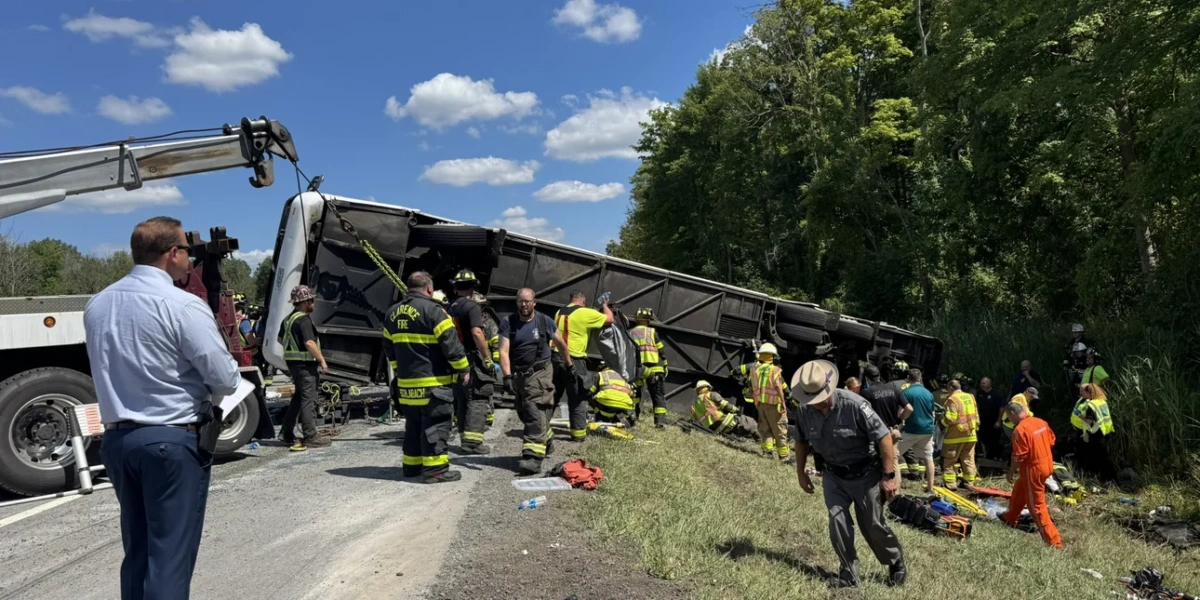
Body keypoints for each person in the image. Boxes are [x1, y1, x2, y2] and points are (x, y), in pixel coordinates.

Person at [84, 216, 241, 600]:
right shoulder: (183, 305)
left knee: (138, 553)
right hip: (171, 440)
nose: (190, 258)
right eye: (187, 250)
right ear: (173, 253)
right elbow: (224, 378)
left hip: (117, 441)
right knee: (169, 556)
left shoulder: (98, 304)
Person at [793, 360, 906, 588]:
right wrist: (801, 472)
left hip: (866, 474)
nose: (817, 404)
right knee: (838, 521)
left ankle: (895, 561)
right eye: (812, 399)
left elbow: (884, 437)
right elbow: (801, 440)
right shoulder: (805, 410)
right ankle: (848, 572)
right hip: (833, 475)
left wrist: (888, 476)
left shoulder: (855, 404)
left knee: (872, 524)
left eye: (820, 397)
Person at [383, 271, 471, 484]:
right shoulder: (434, 311)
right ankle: (436, 471)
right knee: (436, 425)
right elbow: (451, 346)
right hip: (433, 386)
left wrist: (400, 371)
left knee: (413, 426)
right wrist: (464, 369)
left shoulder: (391, 313)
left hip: (406, 387)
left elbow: (389, 348)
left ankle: (411, 466)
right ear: (430, 289)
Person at [499, 288, 571, 475]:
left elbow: (561, 344)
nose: (524, 305)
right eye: (520, 301)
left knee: (534, 408)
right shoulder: (508, 323)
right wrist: (507, 376)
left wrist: (570, 365)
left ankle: (533, 457)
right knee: (523, 411)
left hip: (540, 371)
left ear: (534, 302)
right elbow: (503, 351)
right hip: (519, 374)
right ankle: (546, 439)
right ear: (516, 302)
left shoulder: (544, 321)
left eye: (527, 301)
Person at [552, 290, 614, 441]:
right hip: (574, 359)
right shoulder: (585, 313)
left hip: (554, 357)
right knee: (577, 396)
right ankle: (578, 434)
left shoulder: (559, 312)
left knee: (552, 395)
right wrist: (605, 305)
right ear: (583, 301)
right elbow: (610, 319)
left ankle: (539, 428)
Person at [447, 269, 496, 455]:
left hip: (457, 358)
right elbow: (477, 332)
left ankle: (464, 438)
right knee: (478, 397)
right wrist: (487, 358)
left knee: (462, 399)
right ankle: (473, 443)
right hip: (473, 358)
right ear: (473, 287)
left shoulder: (451, 307)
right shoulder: (472, 307)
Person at [1002, 401, 1063, 548]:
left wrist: (1010, 472)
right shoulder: (1040, 422)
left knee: (1036, 506)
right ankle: (1010, 517)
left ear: (1012, 413)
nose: (1009, 420)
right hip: (1047, 463)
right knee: (1021, 487)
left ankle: (1053, 541)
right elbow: (1052, 440)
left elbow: (1019, 456)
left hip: (1033, 469)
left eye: (1008, 417)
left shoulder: (1020, 430)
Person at [279, 284, 331, 451]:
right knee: (309, 400)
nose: (313, 304)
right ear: (304, 302)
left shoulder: (288, 319)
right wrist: (322, 360)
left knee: (298, 398)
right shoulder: (303, 320)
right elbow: (309, 342)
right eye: (311, 301)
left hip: (293, 364)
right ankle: (310, 436)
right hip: (306, 366)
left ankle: (286, 432)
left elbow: (280, 339)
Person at [857, 365, 911, 486]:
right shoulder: (893, 390)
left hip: (877, 434)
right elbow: (909, 408)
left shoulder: (866, 393)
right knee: (893, 462)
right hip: (894, 431)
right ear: (879, 376)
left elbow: (860, 414)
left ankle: (878, 487)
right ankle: (895, 490)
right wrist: (900, 420)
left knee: (875, 461)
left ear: (867, 378)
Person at [739, 343, 792, 461]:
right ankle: (784, 457)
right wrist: (783, 402)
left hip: (761, 404)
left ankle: (767, 453)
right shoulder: (775, 370)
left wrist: (756, 401)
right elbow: (778, 386)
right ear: (772, 356)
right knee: (779, 430)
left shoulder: (754, 370)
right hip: (774, 405)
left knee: (765, 428)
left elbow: (751, 388)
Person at [896, 368, 936, 491]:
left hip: (911, 429)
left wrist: (901, 420)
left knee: (894, 454)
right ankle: (930, 487)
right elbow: (932, 412)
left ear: (908, 379)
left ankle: (895, 485)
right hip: (927, 430)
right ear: (920, 379)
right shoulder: (929, 393)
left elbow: (901, 412)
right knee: (928, 458)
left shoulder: (906, 393)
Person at [629, 307, 669, 427]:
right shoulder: (652, 332)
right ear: (648, 320)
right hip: (655, 367)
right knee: (657, 395)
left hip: (637, 368)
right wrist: (665, 363)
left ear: (636, 319)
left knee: (635, 394)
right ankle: (660, 422)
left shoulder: (630, 333)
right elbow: (661, 350)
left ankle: (634, 416)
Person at [1071, 383, 1117, 481]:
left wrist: (1079, 415)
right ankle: (1105, 478)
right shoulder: (1101, 401)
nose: (1080, 394)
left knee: (1102, 457)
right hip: (1105, 431)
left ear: (1089, 392)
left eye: (1082, 391)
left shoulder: (1091, 405)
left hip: (1096, 434)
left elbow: (1089, 421)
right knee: (1102, 456)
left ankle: (1110, 479)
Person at [939, 380, 979, 489]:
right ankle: (969, 482)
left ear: (951, 388)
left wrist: (941, 422)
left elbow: (951, 419)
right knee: (968, 459)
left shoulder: (952, 399)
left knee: (949, 460)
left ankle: (950, 484)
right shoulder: (970, 397)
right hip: (971, 434)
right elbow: (975, 415)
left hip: (955, 436)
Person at [975, 377, 1007, 461]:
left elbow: (1002, 407)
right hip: (982, 421)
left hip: (994, 421)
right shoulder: (979, 393)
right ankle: (986, 454)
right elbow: (977, 405)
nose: (982, 385)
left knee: (994, 439)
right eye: (981, 383)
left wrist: (999, 421)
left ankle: (996, 456)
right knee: (982, 437)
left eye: (984, 383)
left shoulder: (997, 394)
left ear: (989, 384)